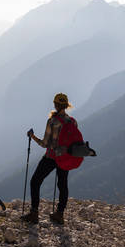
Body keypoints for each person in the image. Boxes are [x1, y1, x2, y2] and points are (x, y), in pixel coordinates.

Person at [21, 93, 75, 225]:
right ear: (67, 105)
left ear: (56, 105)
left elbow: (45, 143)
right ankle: (60, 214)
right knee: (62, 185)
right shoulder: (72, 122)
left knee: (35, 181)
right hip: (65, 158)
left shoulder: (52, 121)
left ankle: (34, 213)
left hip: (51, 157)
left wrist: (32, 136)